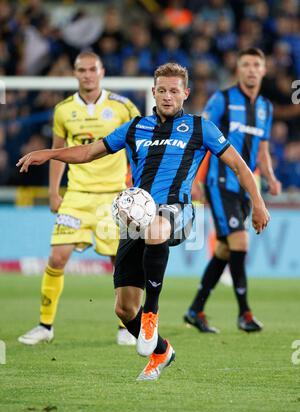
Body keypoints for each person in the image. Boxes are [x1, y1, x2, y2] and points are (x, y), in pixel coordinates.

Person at [17, 62, 270, 381]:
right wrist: (49, 154)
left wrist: (258, 204)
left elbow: (239, 166)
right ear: (153, 92)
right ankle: (161, 350)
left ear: (185, 94)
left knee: (157, 226)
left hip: (178, 212)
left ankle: (152, 312)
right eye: (162, 90)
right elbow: (89, 152)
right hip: (134, 218)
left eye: (174, 91)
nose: (167, 96)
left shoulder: (200, 128)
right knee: (123, 309)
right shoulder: (135, 128)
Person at [18, 51, 140, 347]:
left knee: (119, 261)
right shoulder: (63, 110)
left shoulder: (123, 107)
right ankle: (45, 325)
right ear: (75, 74)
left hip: (114, 196)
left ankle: (126, 327)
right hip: (77, 195)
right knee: (57, 258)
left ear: (102, 71)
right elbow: (58, 152)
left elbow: (139, 147)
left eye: (92, 69)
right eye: (81, 70)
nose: (87, 74)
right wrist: (53, 191)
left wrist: (137, 187)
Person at [184, 48, 281, 334]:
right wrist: (193, 179)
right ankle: (245, 314)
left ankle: (195, 309)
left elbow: (262, 149)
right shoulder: (223, 99)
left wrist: (271, 178)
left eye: (256, 65)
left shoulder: (265, 107)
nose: (251, 69)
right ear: (238, 70)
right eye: (246, 65)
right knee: (240, 243)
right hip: (220, 182)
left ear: (263, 70)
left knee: (225, 250)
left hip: (246, 188)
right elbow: (200, 132)